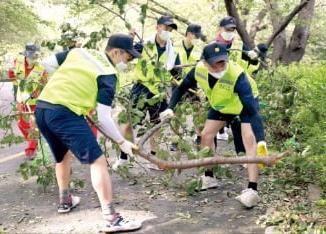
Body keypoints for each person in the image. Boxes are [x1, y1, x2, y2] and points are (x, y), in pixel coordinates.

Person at [34, 34, 142, 232]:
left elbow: (47, 62)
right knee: (98, 161)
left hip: (43, 108)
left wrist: (67, 83)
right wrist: (121, 142)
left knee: (62, 156)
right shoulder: (108, 73)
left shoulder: (80, 52)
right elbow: (104, 117)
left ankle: (65, 200)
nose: (128, 63)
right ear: (116, 52)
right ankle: (112, 218)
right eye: (128, 58)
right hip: (65, 113)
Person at [160, 42, 261, 207]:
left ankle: (252, 189)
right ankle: (209, 176)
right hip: (221, 103)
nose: (220, 67)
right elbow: (181, 88)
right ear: (205, 63)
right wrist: (170, 108)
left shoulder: (237, 75)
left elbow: (251, 110)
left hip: (244, 103)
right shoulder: (198, 69)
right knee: (206, 135)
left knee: (248, 138)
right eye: (215, 64)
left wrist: (260, 137)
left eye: (223, 62)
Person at [112, 16, 180, 171]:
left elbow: (176, 72)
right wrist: (129, 38)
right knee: (129, 122)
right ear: (157, 27)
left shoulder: (172, 50)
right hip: (141, 89)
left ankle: (154, 158)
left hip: (159, 91)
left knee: (157, 125)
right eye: (165, 28)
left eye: (170, 30)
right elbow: (126, 57)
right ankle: (123, 157)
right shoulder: (145, 44)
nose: (167, 32)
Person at [216, 16, 269, 168]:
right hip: (228, 95)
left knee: (249, 123)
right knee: (236, 126)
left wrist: (255, 57)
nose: (230, 32)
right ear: (220, 29)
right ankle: (242, 155)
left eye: (233, 30)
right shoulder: (213, 47)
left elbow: (252, 69)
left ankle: (252, 155)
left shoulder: (240, 46)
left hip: (247, 90)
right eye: (227, 29)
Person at [9, 43, 47, 160]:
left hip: (35, 103)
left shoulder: (41, 69)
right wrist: (11, 70)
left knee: (34, 126)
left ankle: (31, 149)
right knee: (22, 124)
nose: (35, 58)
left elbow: (44, 85)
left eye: (36, 56)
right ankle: (32, 140)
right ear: (26, 55)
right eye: (32, 56)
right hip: (21, 101)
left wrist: (32, 94)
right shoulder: (18, 61)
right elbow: (12, 76)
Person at [171, 23, 205, 149]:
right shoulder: (175, 47)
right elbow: (171, 67)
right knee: (176, 112)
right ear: (189, 34)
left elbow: (201, 68)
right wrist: (178, 80)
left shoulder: (199, 49)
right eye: (197, 36)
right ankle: (175, 140)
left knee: (198, 110)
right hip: (177, 82)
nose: (198, 39)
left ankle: (199, 137)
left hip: (193, 83)